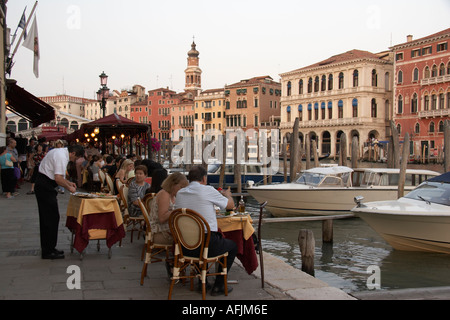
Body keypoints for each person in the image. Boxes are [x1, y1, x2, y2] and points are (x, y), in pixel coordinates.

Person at [174, 165, 237, 296]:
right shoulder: (207, 190)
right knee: (232, 247)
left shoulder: (179, 193)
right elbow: (230, 206)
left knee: (202, 239)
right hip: (206, 245)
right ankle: (219, 285)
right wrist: (228, 195)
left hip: (184, 246)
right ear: (204, 178)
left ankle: (203, 281)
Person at [35, 144, 85, 259]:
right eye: (76, 158)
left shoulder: (60, 152)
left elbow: (59, 177)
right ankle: (48, 251)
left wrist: (68, 183)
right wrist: (69, 188)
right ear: (72, 153)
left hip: (45, 185)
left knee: (50, 218)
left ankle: (50, 248)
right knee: (50, 218)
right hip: (45, 186)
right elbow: (57, 178)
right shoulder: (62, 156)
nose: (75, 160)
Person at [149, 171, 188, 245]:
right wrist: (177, 209)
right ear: (173, 184)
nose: (182, 190)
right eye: (181, 187)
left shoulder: (173, 196)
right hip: (160, 233)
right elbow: (162, 218)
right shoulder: (164, 194)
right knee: (189, 238)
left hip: (167, 230)